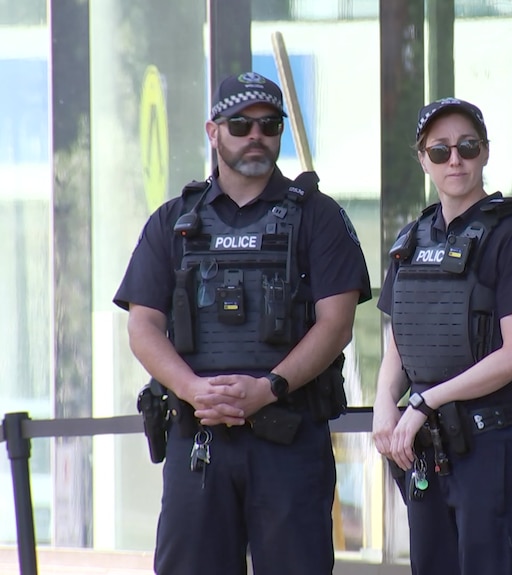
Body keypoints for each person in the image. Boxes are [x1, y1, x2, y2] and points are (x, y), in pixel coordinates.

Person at [114, 71, 371, 575]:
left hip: (288, 436)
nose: (256, 134)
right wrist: (193, 390)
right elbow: (142, 325)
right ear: (214, 132)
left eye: (269, 124)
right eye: (240, 124)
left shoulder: (317, 216)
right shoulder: (173, 221)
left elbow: (336, 324)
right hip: (199, 438)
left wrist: (269, 387)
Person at [372, 97, 512, 575]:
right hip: (427, 448)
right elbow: (398, 341)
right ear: (422, 158)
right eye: (440, 150)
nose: (455, 160)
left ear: (485, 153)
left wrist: (423, 402)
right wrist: (384, 404)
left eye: (467, 147)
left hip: (491, 443)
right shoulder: (412, 238)